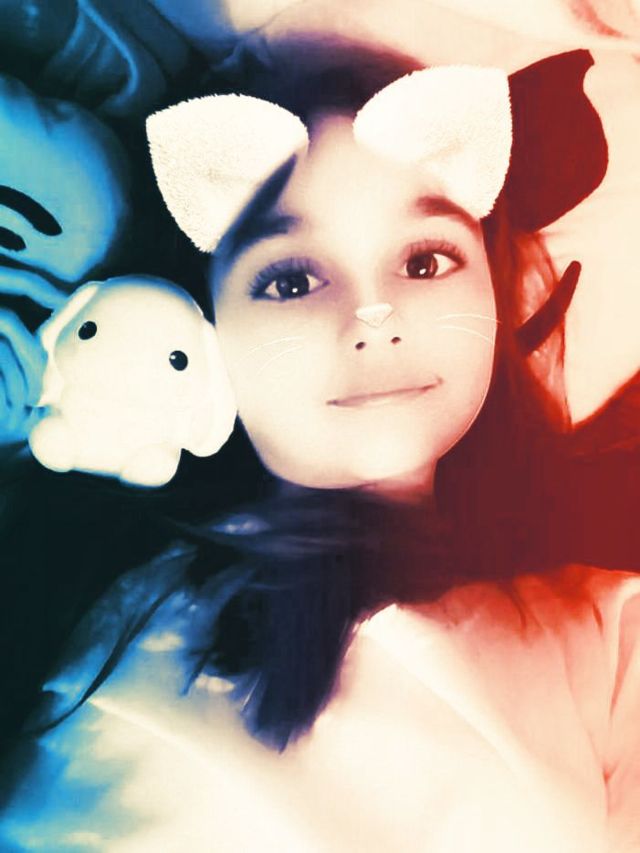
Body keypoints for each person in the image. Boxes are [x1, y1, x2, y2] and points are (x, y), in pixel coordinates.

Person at [2, 36, 640, 852]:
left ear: (494, 290)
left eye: (425, 259)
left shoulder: (604, 634)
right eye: (292, 279)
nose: (374, 320)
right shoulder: (85, 598)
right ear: (200, 324)